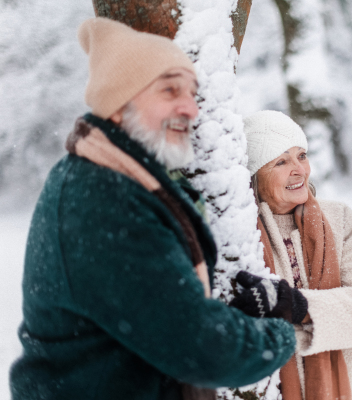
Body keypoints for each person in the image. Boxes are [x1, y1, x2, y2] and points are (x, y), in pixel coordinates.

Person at [9, 18, 297, 400]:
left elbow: (158, 313)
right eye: (170, 90)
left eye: (192, 93)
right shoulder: (105, 200)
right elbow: (198, 345)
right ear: (118, 103)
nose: (191, 109)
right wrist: (280, 330)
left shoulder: (112, 177)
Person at [239, 110, 352, 400]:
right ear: (254, 174)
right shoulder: (239, 238)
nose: (299, 169)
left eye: (302, 155)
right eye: (281, 161)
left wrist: (296, 306)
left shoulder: (343, 220)